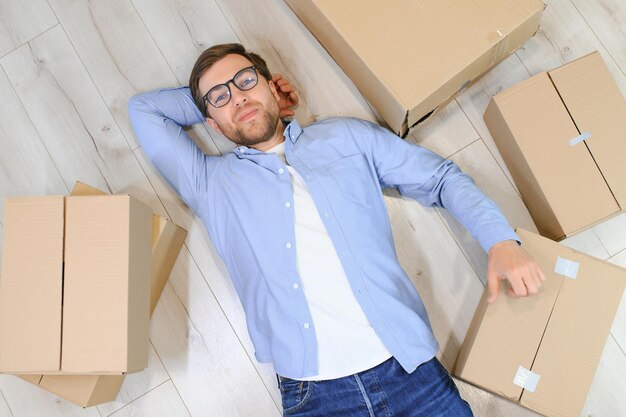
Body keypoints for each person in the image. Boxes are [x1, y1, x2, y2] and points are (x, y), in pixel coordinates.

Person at [129, 43, 545, 417]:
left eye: (246, 80)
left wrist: (500, 239)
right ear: (213, 126)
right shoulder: (209, 182)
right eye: (220, 97)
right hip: (315, 397)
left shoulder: (347, 138)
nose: (237, 96)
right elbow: (144, 110)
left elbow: (439, 178)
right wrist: (226, 97)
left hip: (411, 373)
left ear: (274, 86)